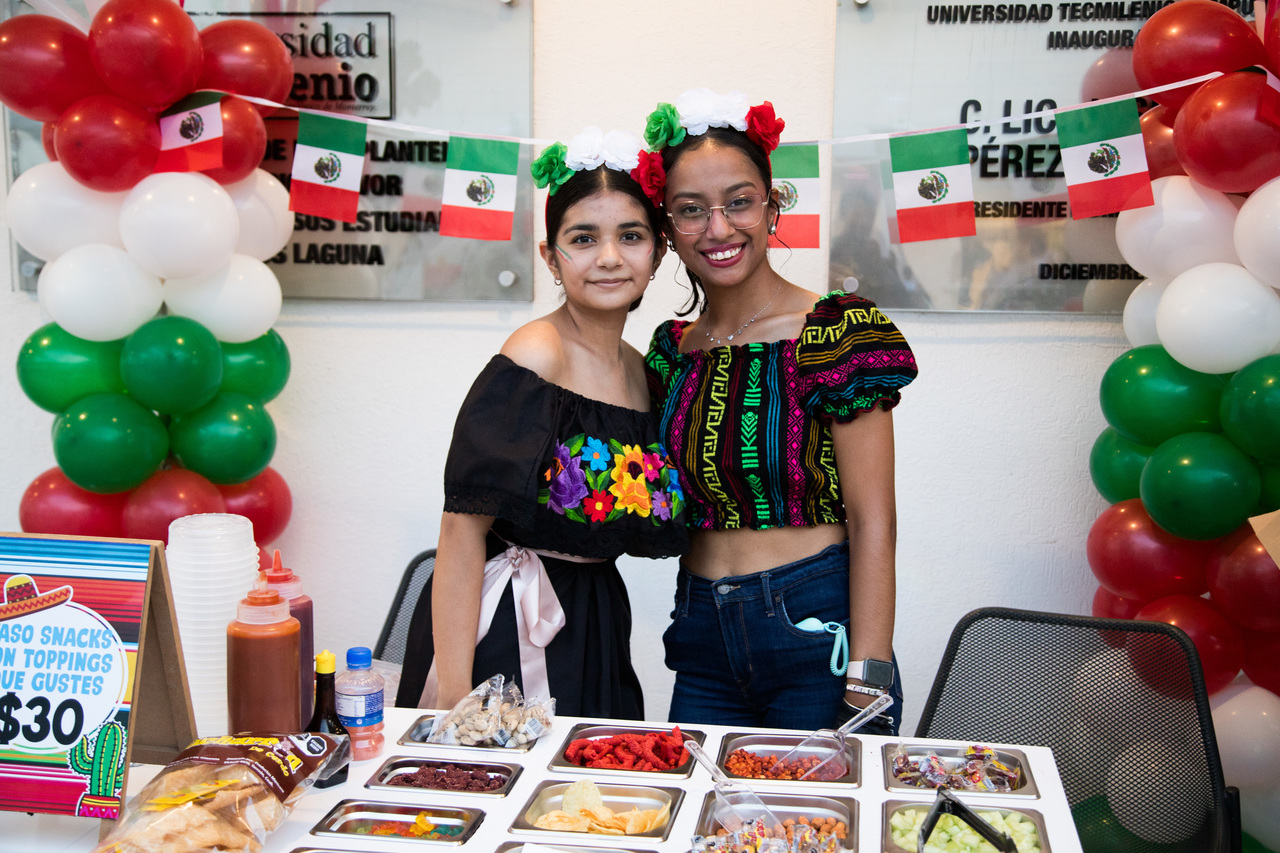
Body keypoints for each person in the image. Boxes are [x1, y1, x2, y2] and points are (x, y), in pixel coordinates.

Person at [639, 90, 918, 734]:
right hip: (701, 636)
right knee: (696, 799)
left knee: (815, 803)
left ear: (772, 207)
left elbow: (874, 519)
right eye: (691, 210)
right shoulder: (672, 352)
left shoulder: (835, 332)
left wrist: (869, 675)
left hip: (813, 632)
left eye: (739, 201)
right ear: (668, 228)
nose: (718, 229)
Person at [396, 128, 687, 718]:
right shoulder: (536, 354)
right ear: (550, 257)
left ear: (658, 253)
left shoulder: (642, 372)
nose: (609, 257)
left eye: (630, 236)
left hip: (597, 624)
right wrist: (453, 697)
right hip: (509, 621)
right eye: (583, 239)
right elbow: (461, 531)